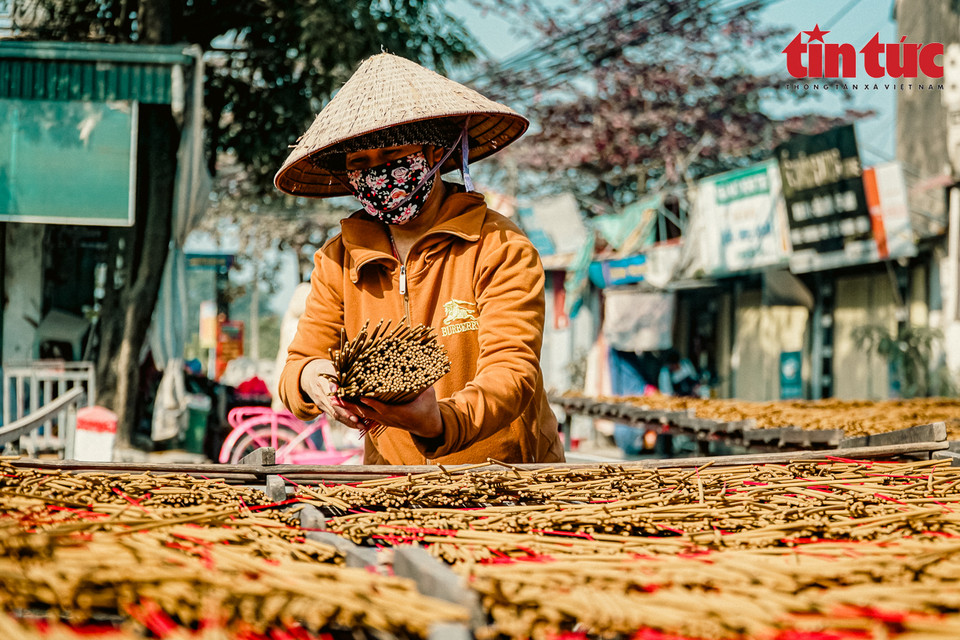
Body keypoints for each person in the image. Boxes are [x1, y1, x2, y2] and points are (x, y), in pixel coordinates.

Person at [274, 53, 564, 465]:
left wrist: (438, 422)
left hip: (504, 481)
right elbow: (299, 363)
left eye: (392, 155)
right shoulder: (338, 259)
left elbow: (512, 372)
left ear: (433, 153)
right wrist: (314, 381)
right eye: (361, 163)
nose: (378, 172)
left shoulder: (499, 245)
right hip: (390, 486)